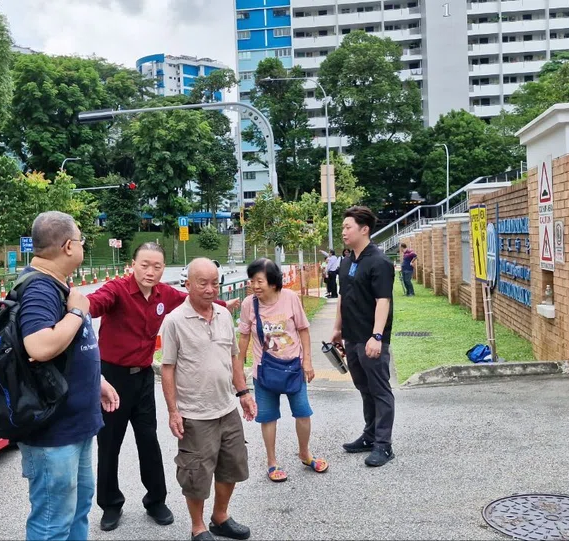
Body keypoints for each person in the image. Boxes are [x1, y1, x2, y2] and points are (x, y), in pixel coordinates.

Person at [87, 242, 239, 532]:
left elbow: (189, 299)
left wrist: (222, 305)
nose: (151, 271)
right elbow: (94, 303)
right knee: (109, 444)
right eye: (144, 264)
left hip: (143, 377)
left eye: (157, 266)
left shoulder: (162, 293)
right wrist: (73, 304)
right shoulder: (117, 289)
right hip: (112, 379)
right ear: (132, 264)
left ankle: (155, 499)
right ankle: (110, 504)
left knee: (149, 441)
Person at [17, 210, 120, 541]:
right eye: (81, 240)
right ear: (67, 246)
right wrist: (77, 311)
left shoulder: (57, 285)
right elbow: (39, 345)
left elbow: (71, 350)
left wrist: (97, 381)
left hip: (75, 425)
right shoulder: (39, 289)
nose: (83, 245)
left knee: (77, 508)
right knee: (52, 521)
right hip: (53, 433)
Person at [161, 258, 256, 541]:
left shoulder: (224, 315)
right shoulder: (174, 321)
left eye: (215, 282)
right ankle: (197, 527)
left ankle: (220, 517)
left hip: (226, 408)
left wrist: (243, 393)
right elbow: (168, 368)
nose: (210, 289)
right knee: (196, 475)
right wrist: (173, 411)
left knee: (232, 466)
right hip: (195, 413)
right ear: (187, 284)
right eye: (202, 283)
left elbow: (234, 358)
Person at [237, 258, 326, 483]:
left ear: (274, 283)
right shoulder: (250, 304)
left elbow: (304, 330)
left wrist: (307, 362)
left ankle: (305, 454)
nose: (255, 286)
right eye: (253, 281)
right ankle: (272, 461)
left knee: (303, 413)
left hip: (293, 367)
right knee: (268, 418)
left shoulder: (290, 298)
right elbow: (244, 336)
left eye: (260, 281)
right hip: (264, 370)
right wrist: (238, 366)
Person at [332, 206, 396, 468]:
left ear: (364, 229)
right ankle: (369, 436)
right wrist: (337, 329)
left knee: (380, 390)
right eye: (344, 227)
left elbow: (384, 301)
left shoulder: (379, 262)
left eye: (348, 227)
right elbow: (342, 298)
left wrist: (377, 336)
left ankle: (384, 445)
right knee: (364, 388)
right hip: (352, 337)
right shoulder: (348, 261)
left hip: (372, 339)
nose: (344, 231)